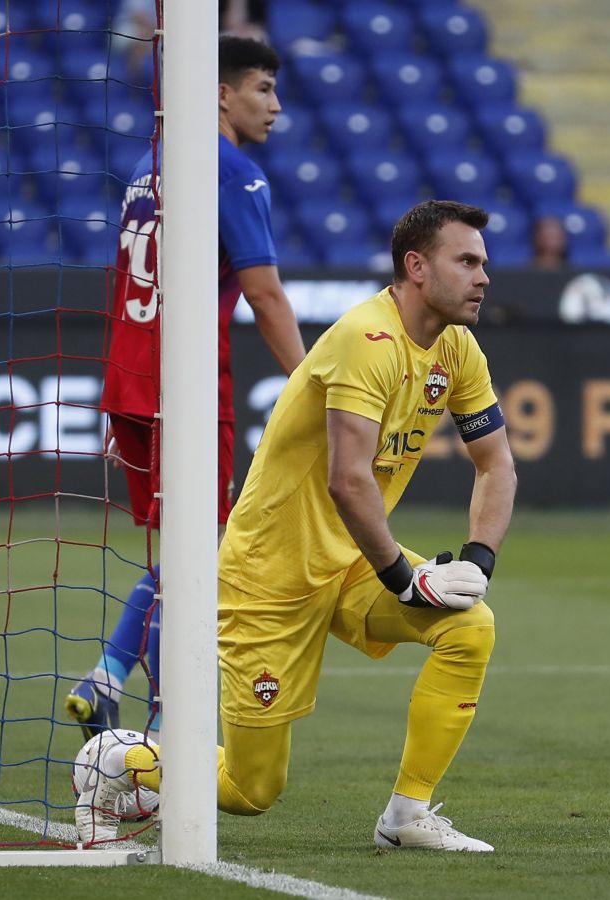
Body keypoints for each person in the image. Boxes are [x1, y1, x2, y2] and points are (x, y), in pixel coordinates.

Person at [75, 200, 518, 852]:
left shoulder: (457, 347)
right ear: (416, 267)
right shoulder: (366, 339)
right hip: (269, 578)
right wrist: (404, 577)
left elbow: (497, 464)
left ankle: (406, 815)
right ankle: (116, 760)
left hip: (348, 562)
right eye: (468, 261)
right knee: (251, 791)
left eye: (484, 262)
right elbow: (349, 478)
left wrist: (476, 563)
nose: (484, 276)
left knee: (470, 627)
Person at [65, 36, 305, 745]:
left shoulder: (147, 167)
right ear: (222, 94)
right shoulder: (232, 171)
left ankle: (107, 679)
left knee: (185, 552)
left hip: (131, 377)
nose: (276, 105)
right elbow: (264, 295)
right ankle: (169, 724)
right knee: (204, 555)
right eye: (264, 88)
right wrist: (317, 384)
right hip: (192, 383)